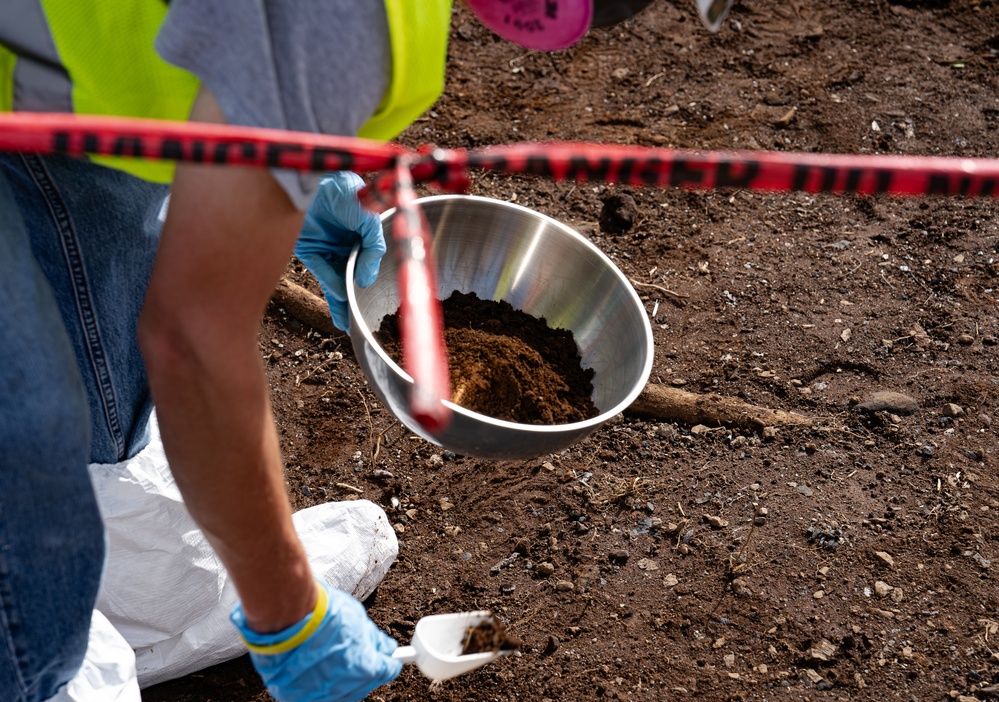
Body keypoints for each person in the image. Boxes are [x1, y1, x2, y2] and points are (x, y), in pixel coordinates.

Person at [0, 1, 727, 701]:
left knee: (100, 262)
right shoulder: (351, 15)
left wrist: (276, 159)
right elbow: (190, 342)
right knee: (20, 437)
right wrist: (289, 617)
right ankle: (34, 646)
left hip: (30, 87)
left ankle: (138, 581)